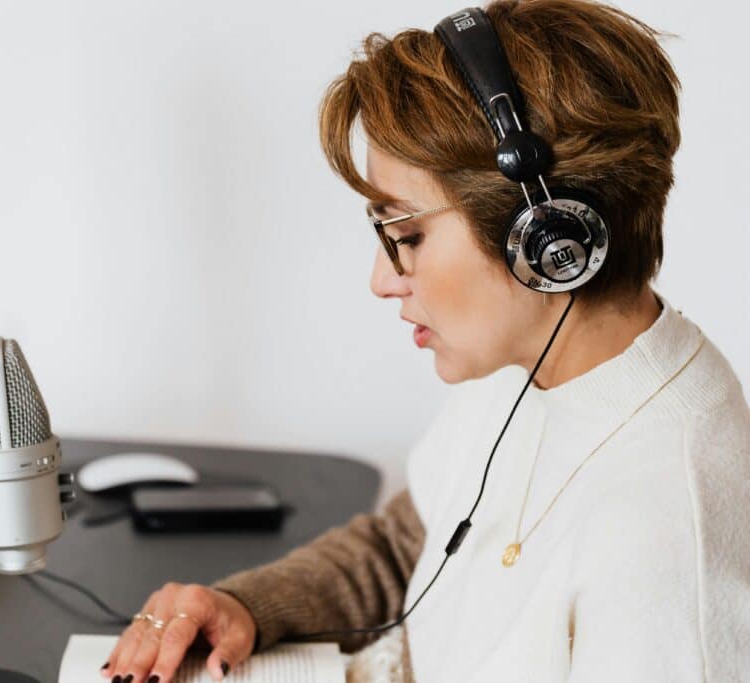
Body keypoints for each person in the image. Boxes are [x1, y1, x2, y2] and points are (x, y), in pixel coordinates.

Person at [99, 1, 750, 681]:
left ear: (548, 238)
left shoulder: (668, 532)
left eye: (406, 236)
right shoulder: (524, 359)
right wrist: (244, 605)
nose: (383, 280)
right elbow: (408, 544)